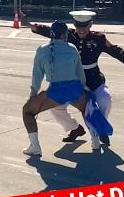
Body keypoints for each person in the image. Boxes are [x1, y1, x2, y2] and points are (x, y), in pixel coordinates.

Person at [22, 11, 124, 149]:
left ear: (90, 25)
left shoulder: (99, 38)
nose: (81, 30)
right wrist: (30, 25)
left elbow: (114, 50)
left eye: (84, 26)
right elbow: (49, 31)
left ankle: (99, 126)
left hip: (93, 79)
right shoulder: (68, 35)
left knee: (105, 99)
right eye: (78, 26)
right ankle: (75, 128)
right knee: (56, 108)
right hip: (73, 80)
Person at [22, 21, 88, 156]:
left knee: (27, 111)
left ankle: (35, 147)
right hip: (74, 89)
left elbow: (37, 76)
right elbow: (80, 74)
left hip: (55, 92)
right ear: (65, 35)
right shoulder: (72, 48)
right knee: (86, 110)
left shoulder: (42, 49)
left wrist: (33, 95)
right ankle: (95, 141)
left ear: (51, 34)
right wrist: (83, 92)